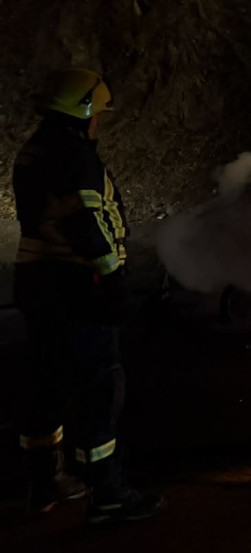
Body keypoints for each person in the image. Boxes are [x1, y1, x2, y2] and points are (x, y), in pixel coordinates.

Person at [13, 68, 162, 522]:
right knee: (99, 384)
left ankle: (46, 482)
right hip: (78, 285)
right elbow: (87, 222)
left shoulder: (33, 150)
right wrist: (112, 277)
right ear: (83, 112)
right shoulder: (73, 155)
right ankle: (108, 493)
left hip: (39, 283)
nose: (100, 120)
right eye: (98, 112)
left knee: (48, 382)